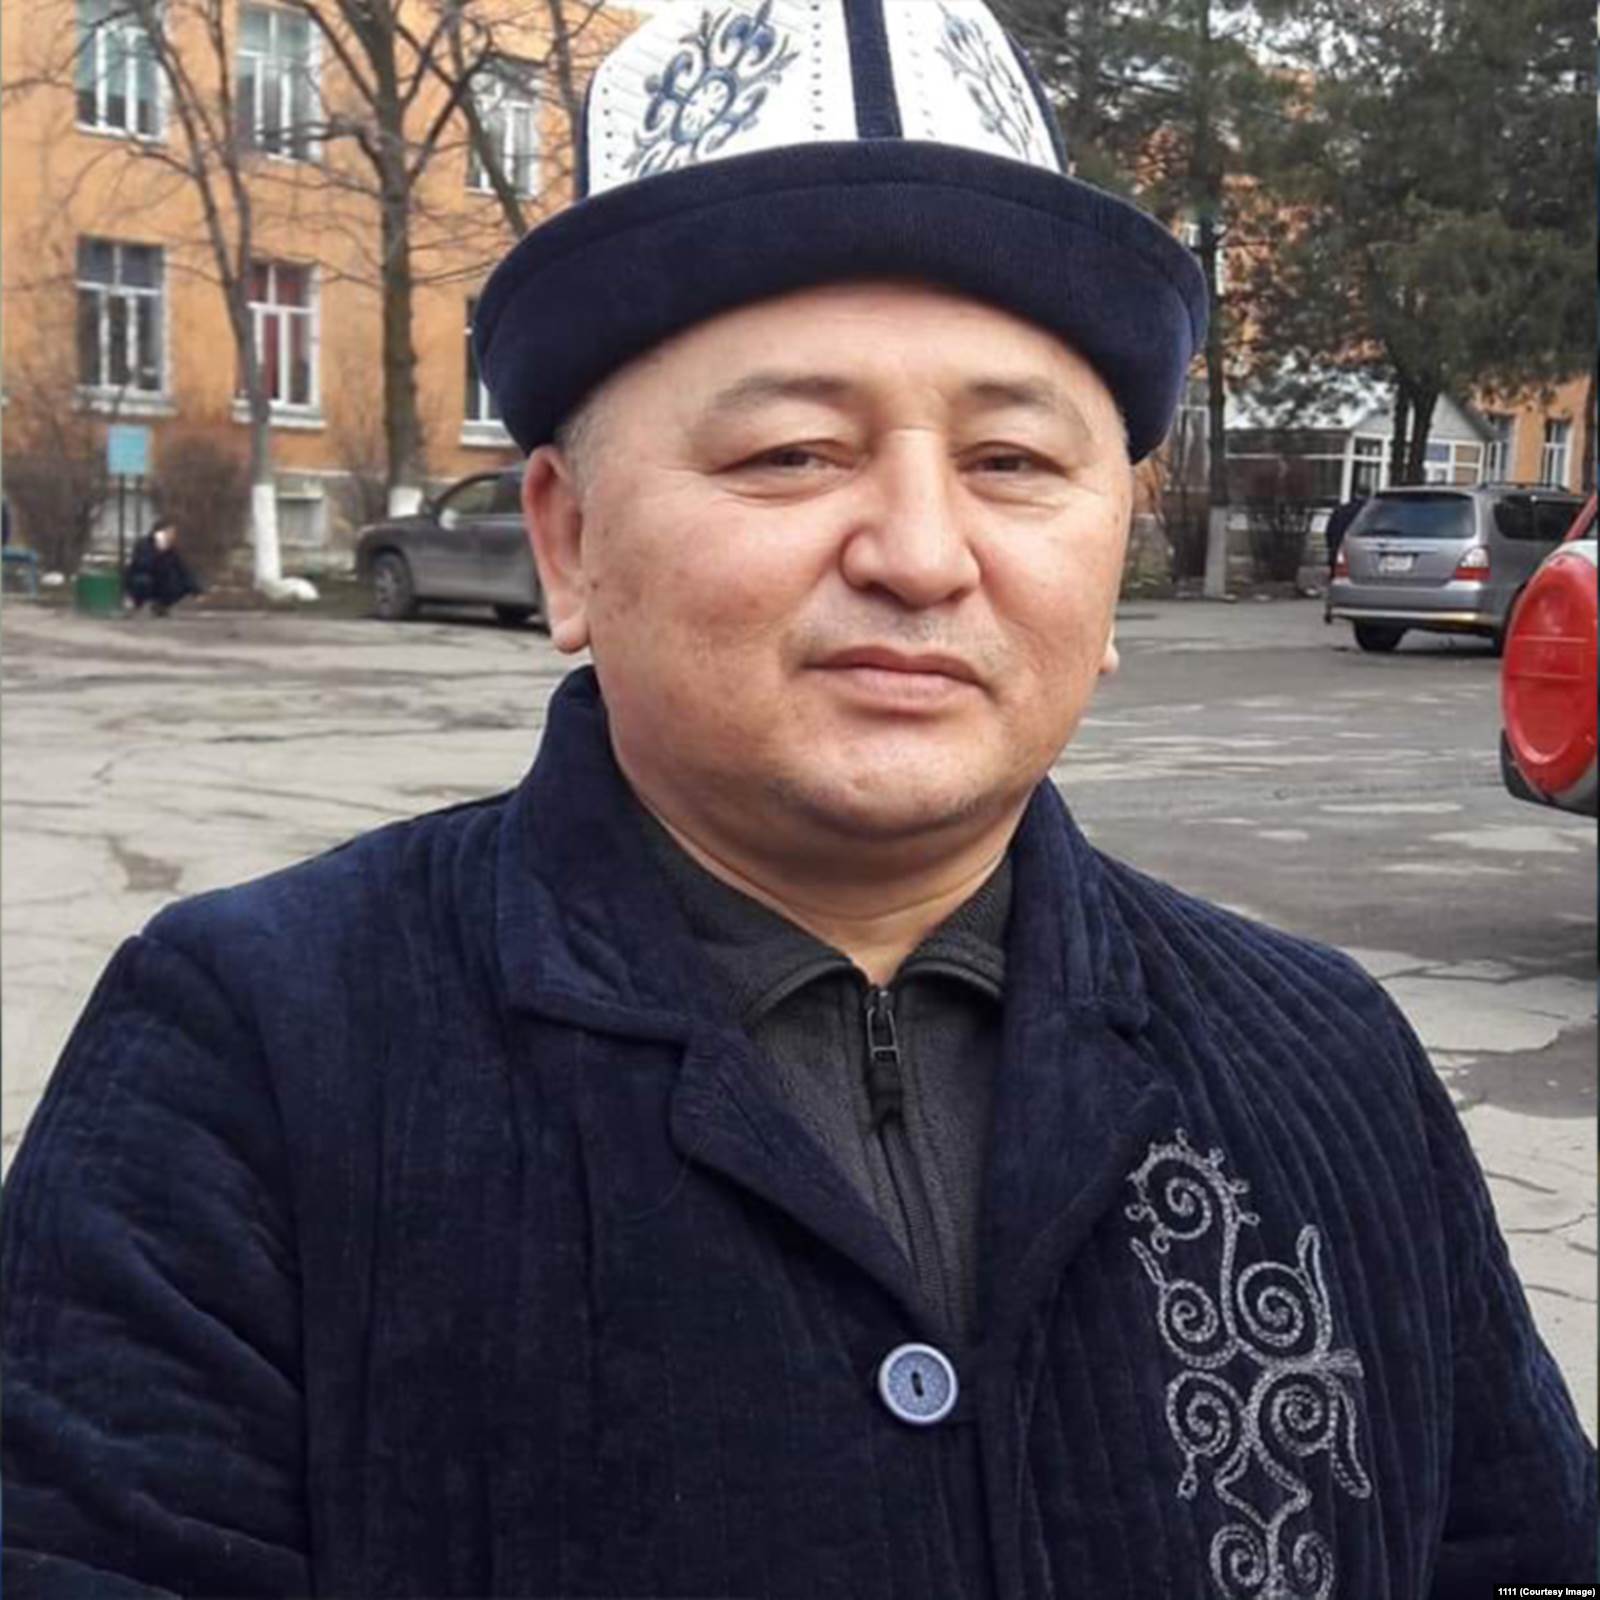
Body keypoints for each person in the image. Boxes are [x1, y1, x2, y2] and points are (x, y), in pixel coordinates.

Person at [4, 3, 1592, 1596]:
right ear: (569, 544)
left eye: (1013, 462)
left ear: (1113, 558)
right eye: (790, 453)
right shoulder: (258, 1060)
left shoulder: (1322, 1057)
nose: (920, 553)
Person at [124, 517, 202, 616]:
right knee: (143, 581)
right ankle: (136, 603)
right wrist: (158, 553)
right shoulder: (144, 545)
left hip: (161, 582)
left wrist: (197, 591)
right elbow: (142, 565)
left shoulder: (171, 550)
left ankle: (161, 605)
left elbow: (183, 570)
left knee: (179, 583)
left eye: (173, 533)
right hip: (143, 579)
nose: (172, 536)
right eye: (169, 532)